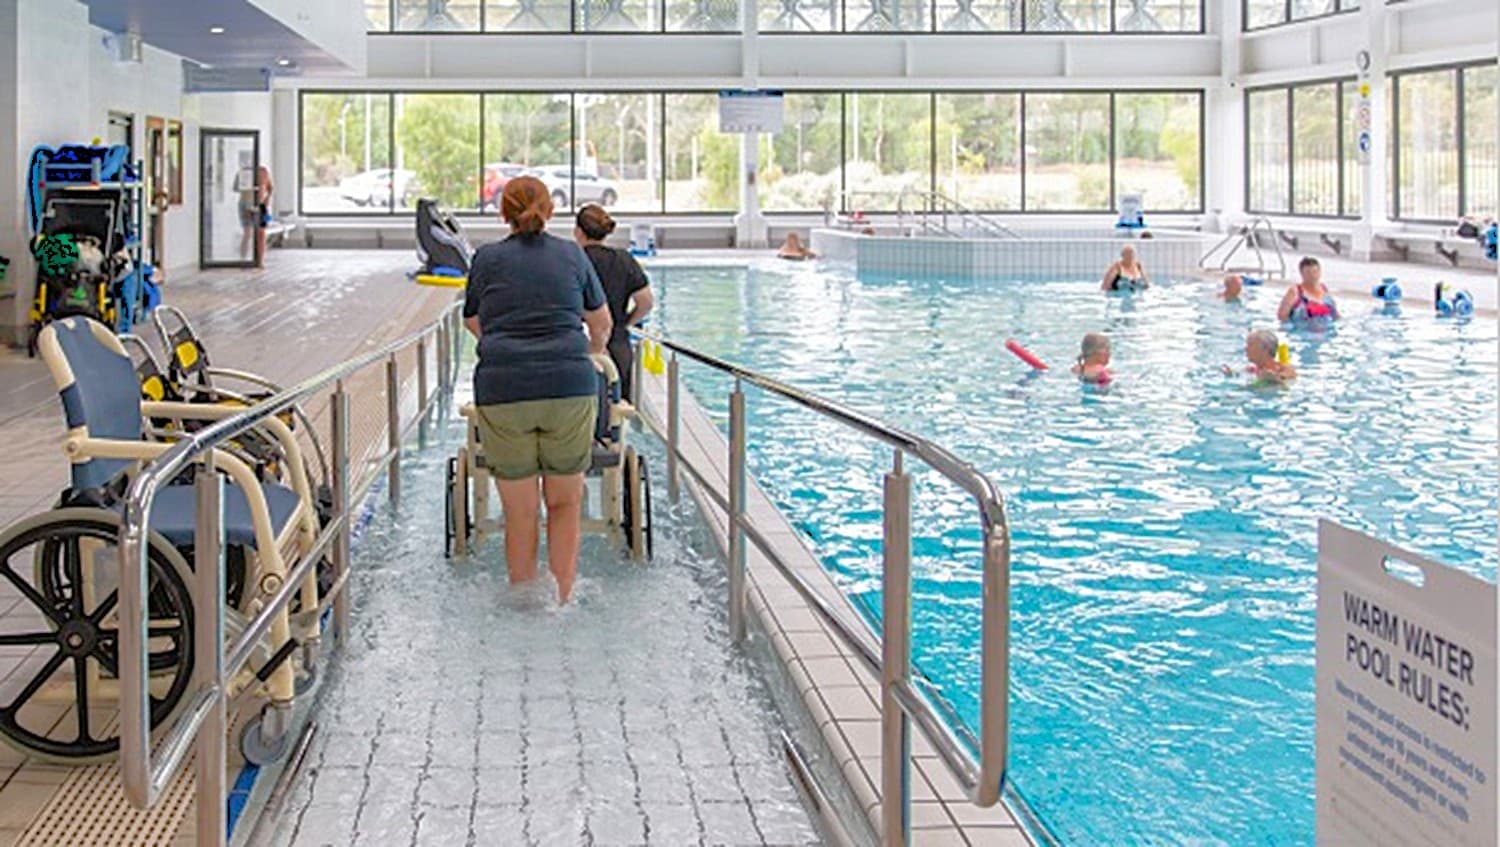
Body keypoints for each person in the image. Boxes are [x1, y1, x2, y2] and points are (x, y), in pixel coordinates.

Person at [463, 176, 612, 604]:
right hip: (568, 385)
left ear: (502, 211)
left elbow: (473, 321)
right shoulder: (571, 254)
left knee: (520, 512)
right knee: (565, 506)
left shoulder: (487, 259)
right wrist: (592, 355)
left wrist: (505, 347)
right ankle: (563, 600)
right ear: (550, 211)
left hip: (503, 388)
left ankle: (525, 603)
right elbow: (601, 323)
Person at [574, 204, 653, 401]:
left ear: (578, 232)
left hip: (579, 344)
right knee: (618, 412)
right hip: (617, 345)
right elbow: (646, 302)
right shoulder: (624, 260)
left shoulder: (572, 261)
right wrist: (626, 322)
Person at [1222, 329, 1296, 385]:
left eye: (1250, 345)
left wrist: (1274, 379)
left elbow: (1287, 386)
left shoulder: (1284, 369)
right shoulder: (1252, 370)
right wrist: (1230, 374)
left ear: (1265, 349)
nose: (1246, 349)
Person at [1277, 256, 1338, 322]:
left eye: (1315, 271)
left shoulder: (1324, 289)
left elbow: (1335, 314)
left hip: (1325, 329)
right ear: (1301, 273)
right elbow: (1282, 316)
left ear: (1320, 272)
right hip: (1302, 330)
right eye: (1308, 272)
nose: (1312, 276)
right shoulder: (1295, 291)